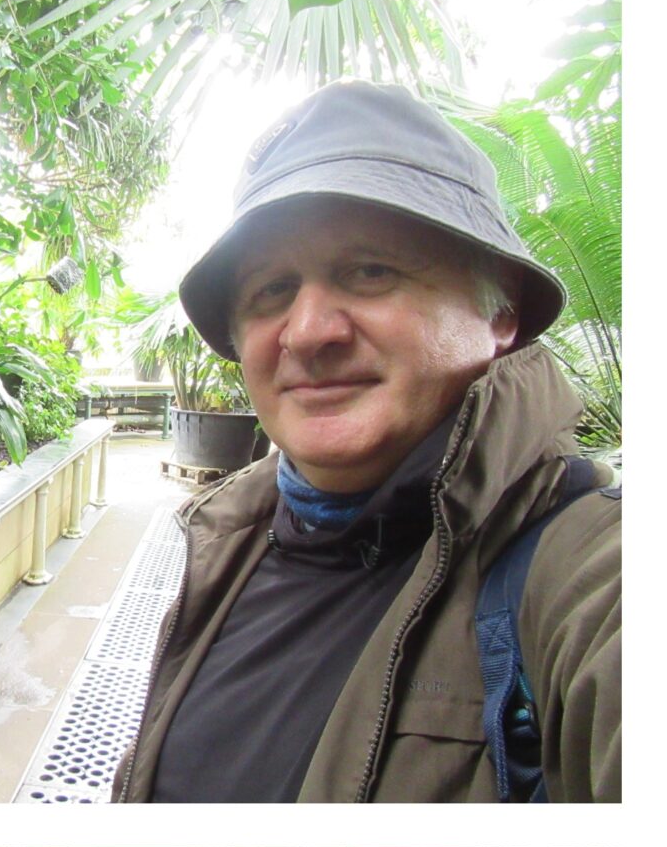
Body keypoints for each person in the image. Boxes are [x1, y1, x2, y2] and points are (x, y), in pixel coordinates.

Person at [116, 81, 618, 803]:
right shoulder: (227, 538)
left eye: (371, 271)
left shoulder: (593, 573)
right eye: (271, 290)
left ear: (500, 310)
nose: (309, 330)